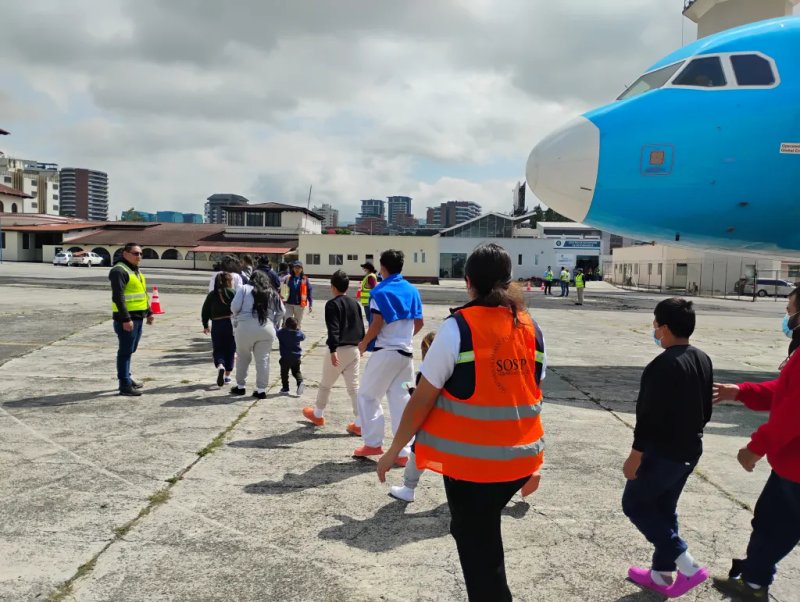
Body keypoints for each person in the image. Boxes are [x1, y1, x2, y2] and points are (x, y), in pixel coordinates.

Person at [376, 242, 545, 602]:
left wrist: (394, 450)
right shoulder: (531, 328)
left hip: (474, 469)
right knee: (484, 538)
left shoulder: (457, 329)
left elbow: (421, 399)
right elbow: (529, 393)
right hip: (519, 461)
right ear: (508, 281)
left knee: (479, 554)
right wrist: (533, 465)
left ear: (468, 282)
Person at [711, 288, 800, 601]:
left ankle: (753, 584)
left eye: (790, 310)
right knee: (774, 523)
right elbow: (786, 391)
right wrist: (744, 391)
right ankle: (754, 579)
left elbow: (792, 412)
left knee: (774, 525)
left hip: (795, 468)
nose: (788, 318)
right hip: (792, 466)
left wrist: (756, 447)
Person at [622, 298, 713, 597]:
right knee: (663, 508)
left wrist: (635, 456)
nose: (654, 329)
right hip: (690, 450)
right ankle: (661, 575)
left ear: (665, 328)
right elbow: (707, 409)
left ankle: (686, 563)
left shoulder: (661, 366)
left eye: (655, 323)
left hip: (664, 452)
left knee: (634, 504)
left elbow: (647, 418)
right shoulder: (702, 359)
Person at [354, 249, 423, 463]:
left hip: (385, 354)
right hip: (406, 356)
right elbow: (419, 323)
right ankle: (403, 452)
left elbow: (377, 323)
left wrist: (363, 344)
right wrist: (403, 337)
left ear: (382, 268)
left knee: (367, 395)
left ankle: (373, 443)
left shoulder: (379, 291)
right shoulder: (412, 290)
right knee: (401, 400)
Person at [302, 270, 365, 433]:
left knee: (326, 384)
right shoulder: (355, 304)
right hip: (354, 348)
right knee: (354, 387)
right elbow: (360, 327)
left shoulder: (332, 304)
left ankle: (318, 414)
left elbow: (333, 329)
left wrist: (333, 349)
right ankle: (359, 422)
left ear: (332, 287)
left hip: (339, 349)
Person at [388, 331, 436, 503]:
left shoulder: (425, 373)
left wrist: (411, 390)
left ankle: (408, 488)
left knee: (416, 456)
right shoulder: (453, 370)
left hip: (429, 426)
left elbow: (422, 400)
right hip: (450, 425)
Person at [230, 271, 285, 399]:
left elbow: (234, 306)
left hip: (244, 328)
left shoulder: (244, 289)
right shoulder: (272, 292)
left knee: (243, 357)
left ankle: (240, 386)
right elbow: (282, 311)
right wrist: (274, 323)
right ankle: (261, 390)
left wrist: (238, 316)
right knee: (263, 360)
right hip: (266, 328)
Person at [109, 242, 154, 396]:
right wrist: (125, 319)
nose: (139, 256)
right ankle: (124, 384)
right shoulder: (119, 271)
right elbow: (118, 297)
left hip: (138, 317)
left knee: (130, 350)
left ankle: (127, 377)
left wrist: (148, 312)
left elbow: (141, 293)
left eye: (141, 254)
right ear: (125, 254)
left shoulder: (135, 271)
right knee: (125, 352)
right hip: (127, 319)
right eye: (135, 253)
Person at [201, 272, 236, 387]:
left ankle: (220, 364)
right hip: (230, 323)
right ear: (228, 282)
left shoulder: (212, 294)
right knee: (230, 349)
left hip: (216, 324)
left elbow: (205, 310)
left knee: (218, 348)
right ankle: (227, 376)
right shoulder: (233, 293)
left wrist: (205, 325)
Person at [277, 317, 305, 396]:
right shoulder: (298, 334)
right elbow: (303, 337)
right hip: (296, 357)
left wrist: (282, 327)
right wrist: (298, 330)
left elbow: (277, 332)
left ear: (285, 325)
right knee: (296, 371)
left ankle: (285, 388)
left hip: (285, 357)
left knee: (284, 373)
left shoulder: (282, 333)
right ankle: (300, 382)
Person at [284, 260, 312, 328]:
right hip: (288, 303)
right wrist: (282, 301)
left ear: (302, 269)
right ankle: (287, 335)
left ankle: (296, 336)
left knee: (298, 323)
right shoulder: (288, 278)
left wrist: (310, 304)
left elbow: (309, 291)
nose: (297, 269)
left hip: (300, 304)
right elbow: (283, 291)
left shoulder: (304, 279)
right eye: (295, 267)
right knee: (287, 320)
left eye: (299, 268)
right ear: (293, 268)